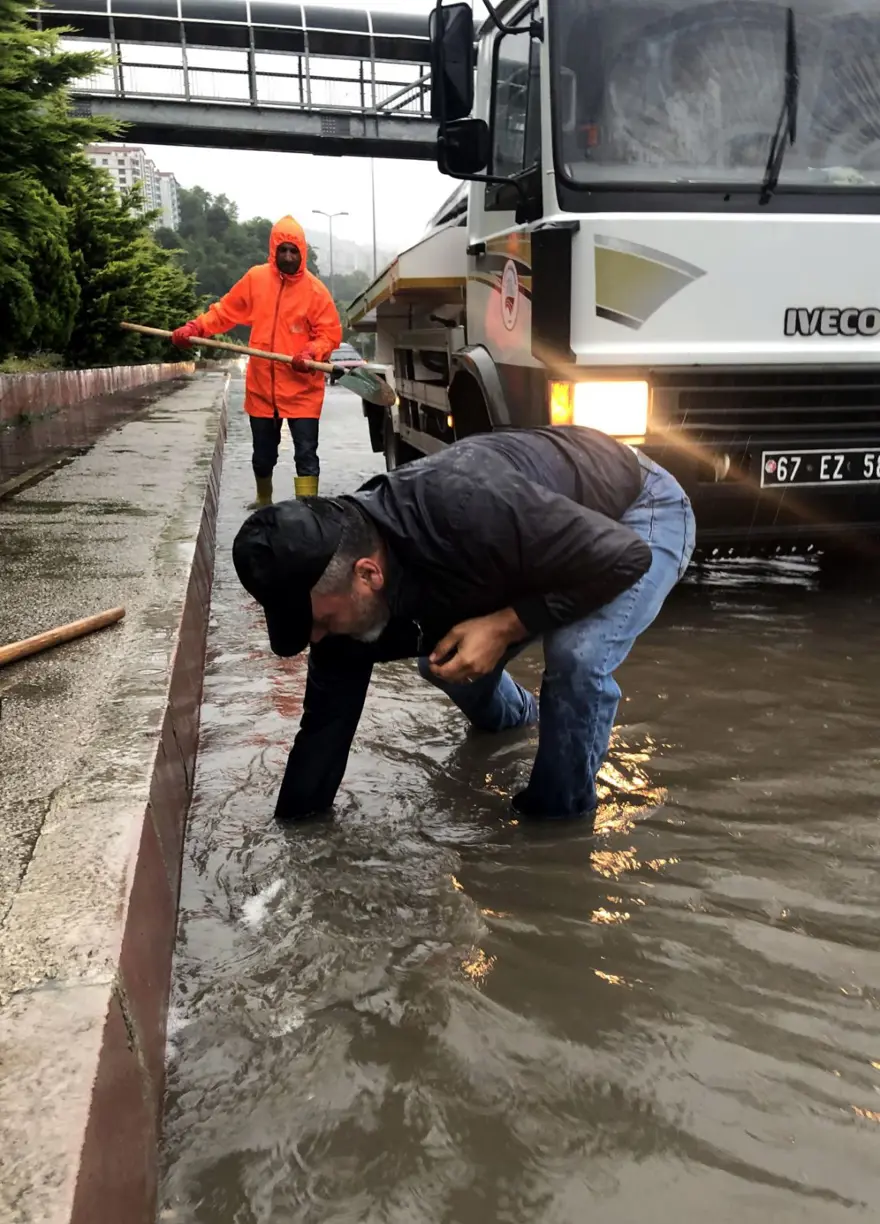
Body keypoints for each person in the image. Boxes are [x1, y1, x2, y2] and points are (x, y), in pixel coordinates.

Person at [232, 426, 696, 822]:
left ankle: (560, 820)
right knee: (441, 661)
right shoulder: (339, 586)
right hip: (535, 543)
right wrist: (294, 836)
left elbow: (625, 557)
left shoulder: (468, 509)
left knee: (577, 655)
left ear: (367, 575)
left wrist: (505, 626)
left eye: (321, 620)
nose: (315, 638)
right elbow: (323, 732)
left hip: (635, 511)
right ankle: (521, 719)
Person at [172, 215, 342, 504]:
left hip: (302, 390)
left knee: (306, 455)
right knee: (263, 457)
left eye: (293, 250)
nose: (288, 256)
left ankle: (308, 510)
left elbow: (329, 334)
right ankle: (264, 501)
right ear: (273, 250)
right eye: (282, 250)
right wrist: (195, 328)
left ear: (301, 252)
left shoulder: (316, 292)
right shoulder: (256, 280)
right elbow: (224, 312)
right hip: (262, 389)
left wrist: (312, 352)